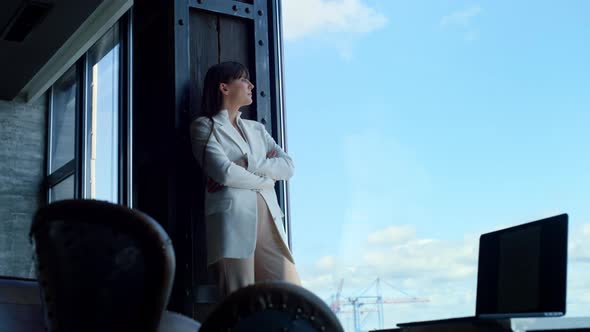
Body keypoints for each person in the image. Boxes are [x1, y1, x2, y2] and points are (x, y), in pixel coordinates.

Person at [190, 61, 301, 297]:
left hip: (270, 223)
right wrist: (267, 180)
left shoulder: (257, 130)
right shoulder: (204, 127)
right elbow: (224, 172)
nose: (251, 84)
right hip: (232, 224)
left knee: (293, 298)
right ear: (224, 87)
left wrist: (249, 163)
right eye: (243, 79)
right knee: (240, 303)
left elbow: (288, 167)